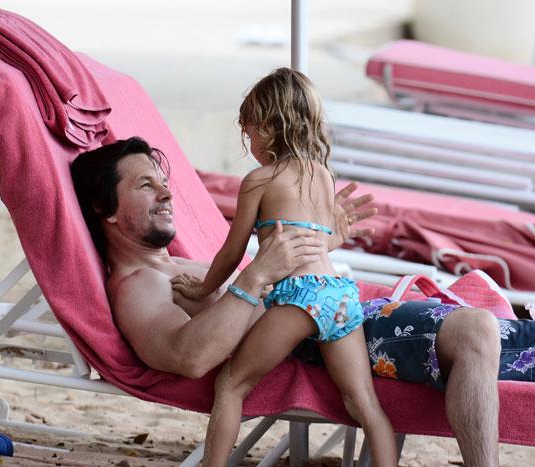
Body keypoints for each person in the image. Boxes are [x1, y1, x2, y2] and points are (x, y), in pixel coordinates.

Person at [71, 134, 534, 467]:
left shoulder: (170, 267)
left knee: (513, 337)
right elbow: (188, 357)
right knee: (476, 329)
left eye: (161, 181)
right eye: (145, 186)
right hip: (327, 338)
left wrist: (320, 244)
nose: (167, 192)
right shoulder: (136, 287)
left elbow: (270, 284)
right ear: (105, 209)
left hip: (339, 312)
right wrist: (256, 275)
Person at [171, 68, 397, 467]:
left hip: (298, 297)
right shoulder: (323, 175)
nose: (249, 143)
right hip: (339, 293)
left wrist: (204, 289)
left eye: (251, 132)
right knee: (364, 403)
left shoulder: (259, 180)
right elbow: (317, 242)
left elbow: (231, 251)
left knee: (231, 385)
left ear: (273, 128)